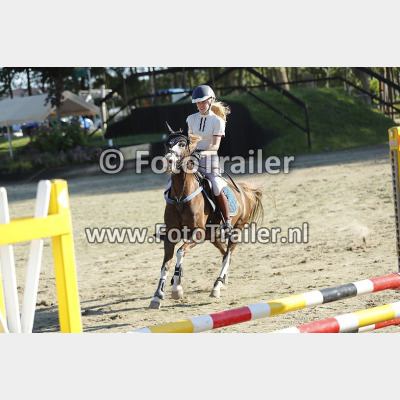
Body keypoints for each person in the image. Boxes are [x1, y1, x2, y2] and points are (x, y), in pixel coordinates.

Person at [187, 85, 233, 235]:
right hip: (193, 157)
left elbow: (215, 146)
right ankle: (172, 221)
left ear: (211, 101)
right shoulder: (191, 119)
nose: (200, 105)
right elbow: (191, 142)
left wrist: (201, 154)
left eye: (203, 101)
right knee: (176, 181)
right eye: (198, 102)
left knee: (215, 185)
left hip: (210, 158)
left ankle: (227, 221)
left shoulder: (217, 121)